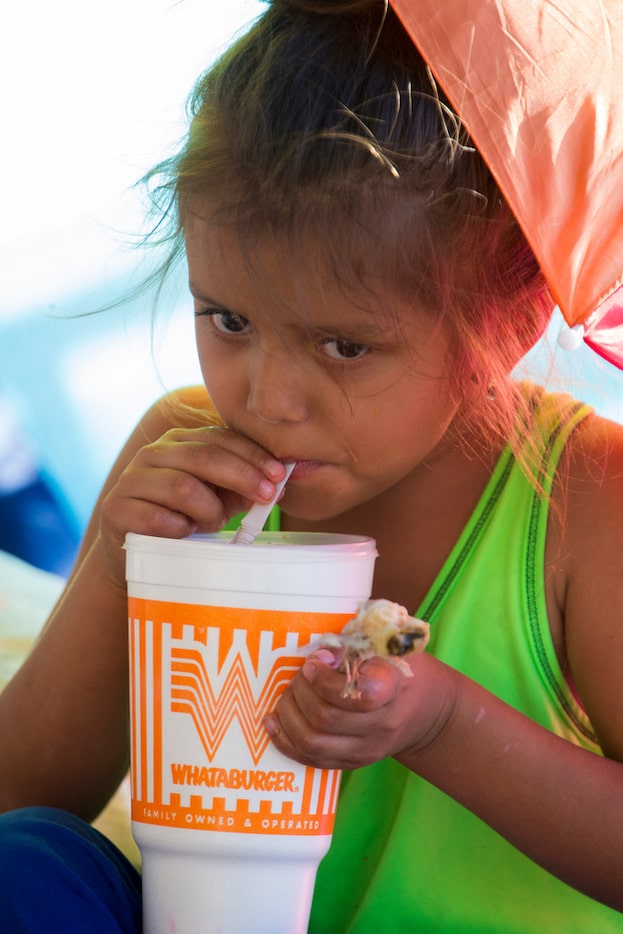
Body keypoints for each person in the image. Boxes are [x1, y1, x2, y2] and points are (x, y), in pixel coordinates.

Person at [1, 0, 623, 930]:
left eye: (341, 346)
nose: (267, 398)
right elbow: (23, 794)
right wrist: (117, 566)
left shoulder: (583, 502)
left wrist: (441, 723)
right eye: (230, 320)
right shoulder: (183, 452)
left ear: (509, 321)